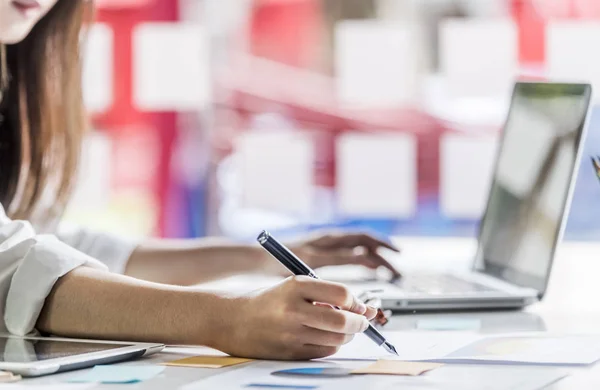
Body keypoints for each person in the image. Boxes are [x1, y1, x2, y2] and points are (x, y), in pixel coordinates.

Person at [0, 0, 401, 360]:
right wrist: (228, 318)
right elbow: (13, 273)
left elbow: (50, 245)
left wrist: (262, 259)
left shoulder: (16, 68)